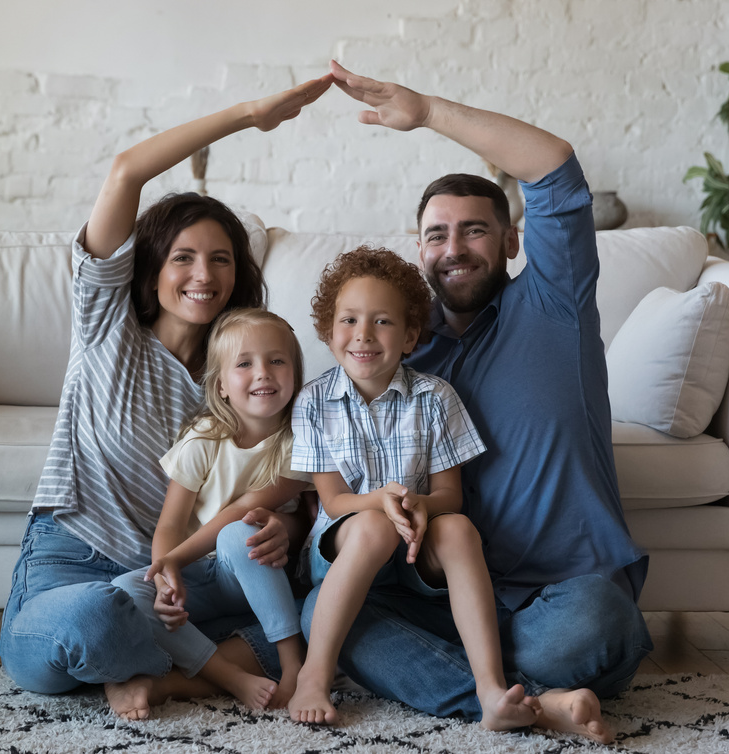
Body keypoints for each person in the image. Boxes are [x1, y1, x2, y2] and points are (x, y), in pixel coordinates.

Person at [302, 61, 654, 744]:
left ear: (513, 241)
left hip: (558, 592)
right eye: (437, 234)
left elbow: (553, 167)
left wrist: (427, 111)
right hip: (437, 591)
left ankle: (478, 680)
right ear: (419, 249)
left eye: (475, 230)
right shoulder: (398, 347)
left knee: (592, 632)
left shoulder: (555, 303)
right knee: (330, 612)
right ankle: (525, 700)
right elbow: (323, 441)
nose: (454, 248)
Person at [0, 73, 333, 721]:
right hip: (75, 559)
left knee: (330, 619)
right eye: (183, 257)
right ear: (150, 270)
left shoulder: (247, 375)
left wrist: (284, 529)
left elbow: (279, 486)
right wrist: (248, 114)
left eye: (221, 259)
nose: (203, 275)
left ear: (240, 277)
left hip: (191, 579)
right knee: (94, 618)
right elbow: (125, 172)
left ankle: (161, 674)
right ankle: (181, 666)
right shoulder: (106, 325)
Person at [286, 246, 542, 731]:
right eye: (349, 320)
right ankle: (313, 676)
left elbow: (451, 495)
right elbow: (335, 501)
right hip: (343, 545)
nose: (363, 334)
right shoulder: (313, 402)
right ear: (328, 331)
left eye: (382, 322)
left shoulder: (435, 397)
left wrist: (419, 504)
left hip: (413, 544)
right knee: (372, 529)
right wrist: (381, 502)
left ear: (409, 337)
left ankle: (489, 688)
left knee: (460, 530)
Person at [109, 309, 310, 716]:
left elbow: (243, 509)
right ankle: (228, 676)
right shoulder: (203, 439)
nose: (263, 373)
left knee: (240, 531)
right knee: (127, 592)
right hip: (203, 576)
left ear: (295, 373)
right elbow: (168, 525)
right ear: (221, 386)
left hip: (256, 571)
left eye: (277, 360)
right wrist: (166, 576)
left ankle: (293, 666)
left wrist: (175, 558)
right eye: (244, 363)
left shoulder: (300, 442)